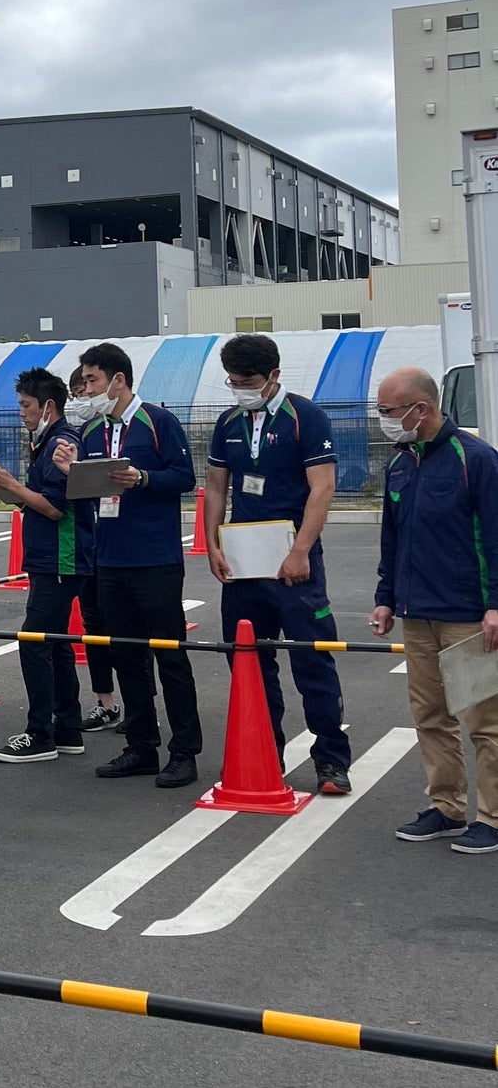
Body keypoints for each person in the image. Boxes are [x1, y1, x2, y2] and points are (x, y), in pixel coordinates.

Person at [203, 334, 351, 795]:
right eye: (233, 381)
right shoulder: (227, 421)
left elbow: (322, 490)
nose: (240, 389)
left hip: (294, 557)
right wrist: (211, 545)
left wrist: (301, 550)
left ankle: (331, 759)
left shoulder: (306, 417)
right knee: (249, 660)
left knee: (312, 660)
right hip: (244, 560)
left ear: (274, 376)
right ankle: (267, 750)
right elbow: (214, 487)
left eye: (248, 381)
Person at [52, 342, 202, 787]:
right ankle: (141, 745)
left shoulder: (159, 422)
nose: (87, 390)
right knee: (127, 657)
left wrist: (144, 478)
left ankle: (184, 751)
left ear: (118, 380)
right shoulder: (94, 432)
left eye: (93, 381)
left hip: (155, 559)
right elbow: (89, 491)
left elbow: (185, 477)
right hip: (109, 559)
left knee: (170, 657)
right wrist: (71, 472)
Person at [371, 366, 498, 854]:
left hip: (468, 613)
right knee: (430, 714)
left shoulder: (477, 459)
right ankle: (446, 807)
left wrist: (495, 606)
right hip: (417, 611)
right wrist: (386, 599)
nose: (384, 419)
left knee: (485, 720)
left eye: (388, 411)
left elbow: (494, 535)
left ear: (419, 408)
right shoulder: (402, 463)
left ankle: (492, 816)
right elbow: (392, 538)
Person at [0, 368, 96, 762]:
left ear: (48, 405)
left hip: (62, 558)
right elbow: (36, 500)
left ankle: (40, 734)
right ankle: (67, 728)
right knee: (56, 644)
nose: (22, 413)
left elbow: (54, 507)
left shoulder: (61, 443)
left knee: (34, 641)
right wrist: (7, 487)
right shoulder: (46, 441)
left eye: (26, 405)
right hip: (53, 558)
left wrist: (13, 486)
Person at [67, 368, 123, 734]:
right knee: (94, 627)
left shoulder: (127, 427)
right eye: (76, 393)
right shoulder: (82, 434)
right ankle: (106, 702)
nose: (82, 398)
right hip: (89, 546)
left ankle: (141, 702)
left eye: (86, 389)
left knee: (128, 628)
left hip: (122, 546)